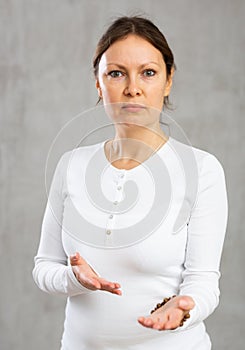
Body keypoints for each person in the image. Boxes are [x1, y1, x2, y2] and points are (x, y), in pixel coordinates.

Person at [32, 16, 228, 350]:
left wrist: (183, 311)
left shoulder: (202, 170)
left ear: (168, 81)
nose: (132, 88)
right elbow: (44, 267)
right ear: (98, 83)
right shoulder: (71, 165)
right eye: (116, 73)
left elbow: (204, 283)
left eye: (148, 72)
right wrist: (73, 278)